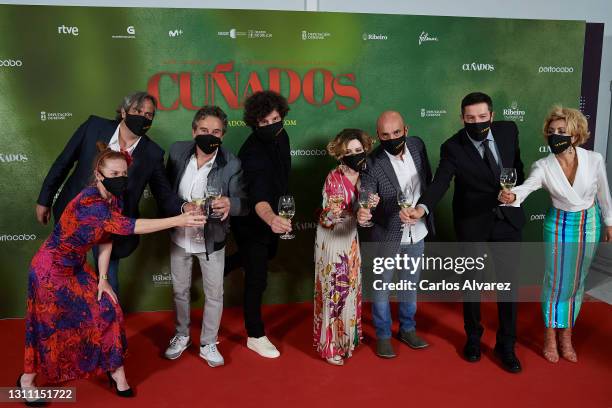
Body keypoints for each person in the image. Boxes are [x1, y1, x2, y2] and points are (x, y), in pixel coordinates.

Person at [18, 144, 204, 404]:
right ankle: (27, 380)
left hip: (77, 266)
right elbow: (127, 226)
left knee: (109, 309)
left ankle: (116, 371)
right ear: (99, 174)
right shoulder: (89, 202)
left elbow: (106, 238)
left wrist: (103, 278)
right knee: (46, 327)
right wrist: (178, 220)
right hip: (50, 270)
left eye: (124, 174)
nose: (120, 179)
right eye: (114, 174)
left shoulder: (112, 198)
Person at [411, 92, 525, 373]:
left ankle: (506, 345)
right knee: (472, 284)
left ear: (492, 115)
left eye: (482, 117)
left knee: (508, 286)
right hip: (472, 221)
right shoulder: (453, 147)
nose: (477, 123)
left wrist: (517, 194)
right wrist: (422, 207)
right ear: (462, 118)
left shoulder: (509, 130)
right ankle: (473, 338)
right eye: (470, 118)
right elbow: (440, 182)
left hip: (507, 219)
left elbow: (518, 168)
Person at [35, 92, 185, 297]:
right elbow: (64, 162)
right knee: (65, 278)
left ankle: (108, 324)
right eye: (137, 111)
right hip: (74, 216)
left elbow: (165, 196)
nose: (143, 117)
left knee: (107, 282)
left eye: (149, 115)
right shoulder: (93, 127)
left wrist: (185, 209)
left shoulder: (153, 153)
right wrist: (45, 199)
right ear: (124, 112)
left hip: (113, 226)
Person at [499, 106, 612, 363]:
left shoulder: (594, 159)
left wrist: (609, 222)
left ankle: (566, 334)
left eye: (562, 131)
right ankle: (550, 332)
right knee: (555, 280)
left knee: (577, 281)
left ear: (575, 133)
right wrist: (512, 195)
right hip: (558, 224)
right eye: (551, 132)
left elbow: (604, 192)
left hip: (589, 223)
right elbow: (527, 187)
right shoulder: (543, 165)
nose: (556, 136)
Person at [163, 106, 247, 367]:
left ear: (222, 135)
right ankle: (182, 334)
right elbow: (164, 191)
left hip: (212, 239)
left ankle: (208, 342)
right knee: (180, 291)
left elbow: (243, 202)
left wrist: (229, 204)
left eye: (216, 132)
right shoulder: (177, 152)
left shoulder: (231, 163)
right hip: (179, 235)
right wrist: (181, 207)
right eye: (203, 130)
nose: (209, 135)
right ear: (193, 130)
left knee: (214, 293)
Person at [357, 111, 434, 359]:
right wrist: (365, 208)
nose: (392, 138)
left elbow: (428, 181)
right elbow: (367, 193)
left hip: (417, 232)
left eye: (397, 133)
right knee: (382, 288)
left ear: (406, 130)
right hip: (387, 234)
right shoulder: (372, 162)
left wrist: (421, 210)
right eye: (385, 135)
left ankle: (407, 329)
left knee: (409, 286)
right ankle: (383, 335)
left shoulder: (417, 145)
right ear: (378, 136)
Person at [230, 90, 292, 358]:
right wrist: (271, 218)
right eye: (264, 123)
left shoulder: (282, 135)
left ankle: (223, 264)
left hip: (274, 213)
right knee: (257, 278)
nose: (271, 126)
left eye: (275, 119)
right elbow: (258, 197)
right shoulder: (252, 153)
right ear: (254, 124)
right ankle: (255, 335)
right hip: (251, 220)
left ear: (282, 117)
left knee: (267, 255)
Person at [313, 128, 377, 366]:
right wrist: (334, 212)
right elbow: (327, 217)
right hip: (332, 239)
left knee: (350, 289)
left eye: (358, 150)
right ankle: (329, 347)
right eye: (348, 151)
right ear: (340, 154)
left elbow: (368, 208)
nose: (354, 155)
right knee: (334, 292)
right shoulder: (334, 177)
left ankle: (346, 342)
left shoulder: (367, 175)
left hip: (350, 238)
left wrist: (371, 204)